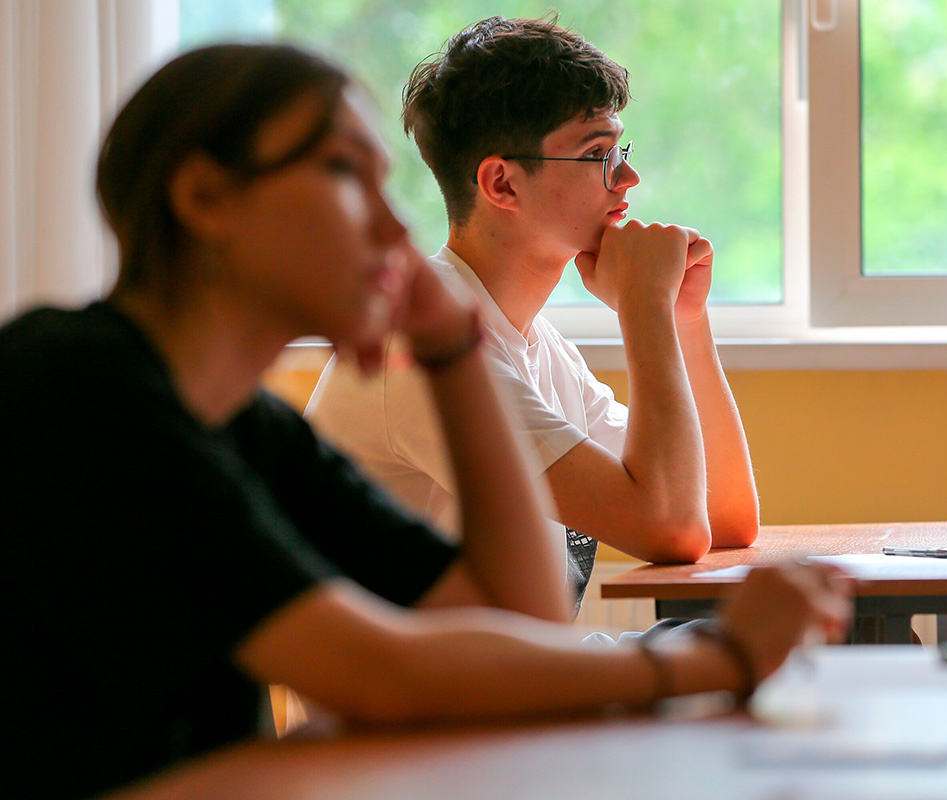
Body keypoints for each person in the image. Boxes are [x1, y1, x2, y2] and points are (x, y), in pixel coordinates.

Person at [2, 43, 851, 800]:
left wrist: (450, 349)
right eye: (343, 174)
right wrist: (727, 657)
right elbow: (385, 674)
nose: (396, 225)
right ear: (205, 197)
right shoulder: (75, 385)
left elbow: (522, 617)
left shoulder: (252, 428)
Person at [305, 16, 760, 611]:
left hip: (511, 685)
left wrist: (683, 319)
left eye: (617, 149)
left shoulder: (536, 346)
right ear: (503, 184)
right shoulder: (419, 342)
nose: (627, 178)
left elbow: (725, 517)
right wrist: (643, 306)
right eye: (596, 154)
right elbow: (671, 527)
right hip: (434, 700)